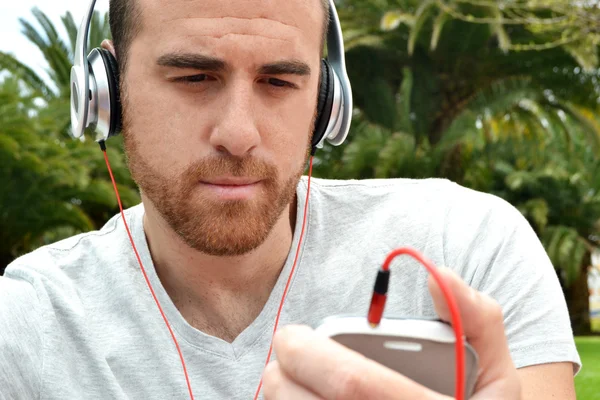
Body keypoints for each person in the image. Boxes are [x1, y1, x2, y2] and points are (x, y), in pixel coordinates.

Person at [0, 0, 580, 399]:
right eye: (194, 78)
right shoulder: (26, 323)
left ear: (327, 104)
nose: (239, 132)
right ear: (105, 92)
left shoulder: (469, 249)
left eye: (279, 82)